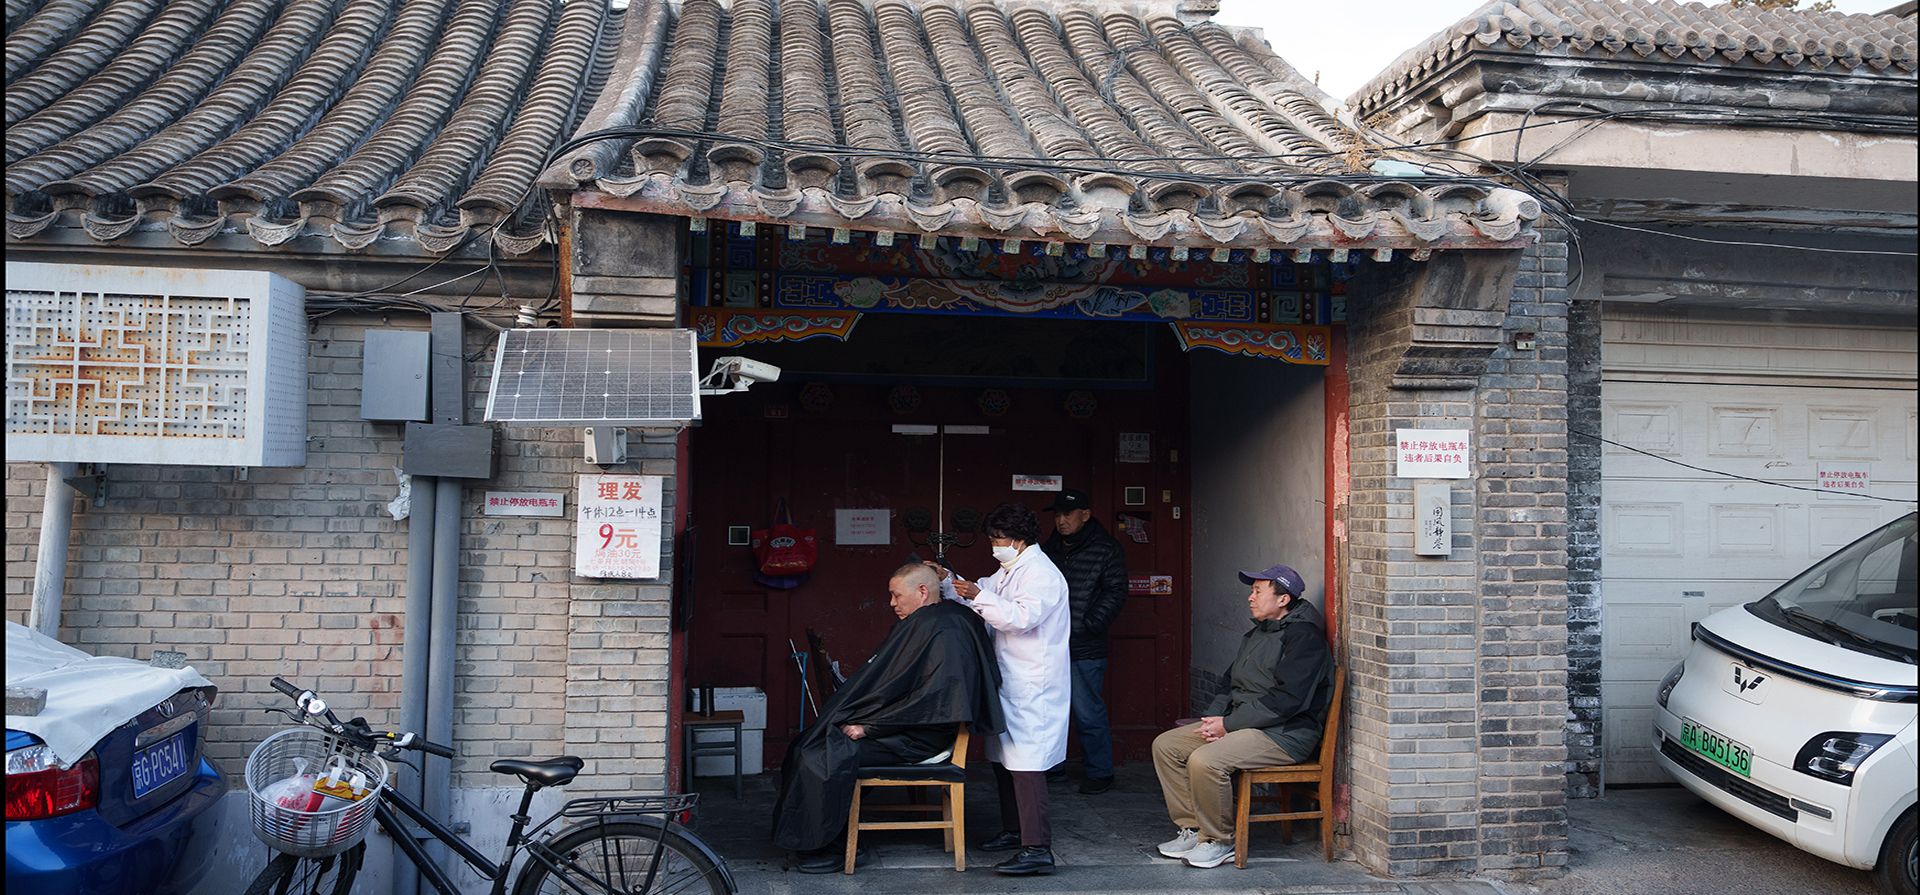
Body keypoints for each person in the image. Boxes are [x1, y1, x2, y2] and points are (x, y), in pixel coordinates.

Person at [772, 563, 1004, 873]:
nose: (892, 603)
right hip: (906, 726)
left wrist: (869, 726)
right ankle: (819, 833)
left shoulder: (948, 629)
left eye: (896, 596)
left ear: (922, 592)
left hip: (922, 738)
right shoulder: (930, 621)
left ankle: (832, 845)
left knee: (821, 754)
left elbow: (935, 701)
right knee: (807, 742)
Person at [1151, 562, 1334, 870]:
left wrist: (1229, 725)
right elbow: (1228, 682)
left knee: (1206, 760)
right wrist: (1213, 720)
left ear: (1283, 599)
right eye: (1251, 590)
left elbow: (1287, 701)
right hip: (1244, 724)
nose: (1250, 597)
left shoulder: (1304, 638)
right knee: (1166, 746)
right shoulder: (1257, 633)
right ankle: (1194, 829)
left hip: (1286, 733)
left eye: (1258, 591)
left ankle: (1219, 841)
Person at [928, 502, 1071, 876]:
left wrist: (977, 595)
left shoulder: (1042, 574)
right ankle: (1015, 830)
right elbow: (980, 593)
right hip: (1009, 679)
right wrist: (948, 580)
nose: (995, 545)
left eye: (999, 539)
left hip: (1033, 683)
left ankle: (1038, 848)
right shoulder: (1010, 569)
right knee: (1005, 762)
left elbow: (1020, 618)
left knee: (1027, 766)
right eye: (992, 538)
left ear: (1020, 540)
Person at [1040, 488, 1128, 795]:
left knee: (1087, 708)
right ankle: (1053, 767)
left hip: (1084, 643)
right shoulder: (1049, 547)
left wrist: (1090, 623)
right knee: (1050, 708)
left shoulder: (1105, 548)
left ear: (1085, 515)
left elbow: (1116, 591)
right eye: (1057, 514)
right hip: (1051, 642)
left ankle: (1100, 772)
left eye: (1068, 514)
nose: (1061, 521)